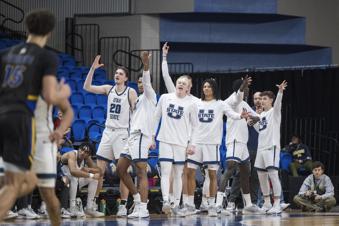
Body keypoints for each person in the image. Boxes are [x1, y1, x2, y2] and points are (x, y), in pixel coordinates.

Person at [0, 9, 71, 221]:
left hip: (16, 123)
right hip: (23, 122)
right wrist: (62, 92)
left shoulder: (6, 54)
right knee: (14, 184)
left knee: (28, 182)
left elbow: (67, 111)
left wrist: (59, 130)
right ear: (50, 32)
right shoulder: (46, 58)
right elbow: (51, 96)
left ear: (27, 28)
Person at [186, 78, 250, 217]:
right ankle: (190, 205)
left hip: (212, 144)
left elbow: (232, 114)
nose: (206, 89)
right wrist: (189, 141)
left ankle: (212, 205)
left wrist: (241, 115)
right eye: (204, 86)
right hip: (196, 143)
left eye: (209, 86)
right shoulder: (196, 103)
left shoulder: (221, 104)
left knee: (212, 174)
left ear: (214, 88)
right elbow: (189, 121)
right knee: (189, 173)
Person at [83, 55, 138, 216]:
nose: (117, 75)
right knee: (99, 170)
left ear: (126, 78)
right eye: (116, 73)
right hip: (108, 132)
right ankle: (91, 205)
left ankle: (123, 205)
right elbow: (87, 87)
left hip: (122, 134)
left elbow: (136, 115)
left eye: (121, 73)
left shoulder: (130, 92)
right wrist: (92, 68)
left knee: (123, 171)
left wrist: (134, 136)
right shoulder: (108, 89)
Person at [117, 51, 157, 218]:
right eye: (138, 82)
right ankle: (136, 198)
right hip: (132, 136)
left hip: (141, 136)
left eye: (142, 82)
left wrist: (145, 64)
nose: (141, 84)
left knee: (141, 172)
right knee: (120, 169)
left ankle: (143, 208)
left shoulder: (150, 95)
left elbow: (147, 80)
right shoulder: (139, 99)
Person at [215, 78, 262, 215]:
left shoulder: (245, 104)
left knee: (246, 172)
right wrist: (243, 85)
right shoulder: (232, 100)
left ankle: (248, 205)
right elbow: (239, 95)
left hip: (243, 144)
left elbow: (257, 122)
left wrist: (257, 118)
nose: (247, 90)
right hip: (234, 141)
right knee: (229, 170)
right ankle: (218, 204)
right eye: (246, 88)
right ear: (239, 89)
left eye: (247, 88)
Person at [153, 75, 198, 215]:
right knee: (166, 172)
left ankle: (176, 203)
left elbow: (196, 126)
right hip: (165, 139)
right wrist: (152, 137)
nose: (181, 84)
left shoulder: (192, 103)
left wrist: (192, 144)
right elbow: (156, 117)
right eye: (179, 82)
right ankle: (166, 200)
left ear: (189, 88)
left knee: (178, 173)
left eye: (184, 83)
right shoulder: (165, 97)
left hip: (181, 143)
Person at [252, 81, 288, 214]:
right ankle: (267, 203)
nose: (261, 101)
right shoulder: (261, 115)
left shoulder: (274, 112)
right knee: (261, 176)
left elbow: (278, 104)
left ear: (271, 100)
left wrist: (280, 92)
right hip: (261, 148)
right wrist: (250, 121)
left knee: (273, 175)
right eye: (260, 99)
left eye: (264, 99)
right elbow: (259, 130)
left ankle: (277, 203)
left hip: (271, 147)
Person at [60, 143, 104, 217]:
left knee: (94, 180)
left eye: (86, 152)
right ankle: (72, 207)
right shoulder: (72, 154)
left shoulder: (86, 158)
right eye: (82, 150)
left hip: (75, 183)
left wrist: (88, 169)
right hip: (63, 181)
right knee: (74, 177)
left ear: (89, 155)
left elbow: (100, 171)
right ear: (78, 149)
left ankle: (89, 208)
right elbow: (73, 171)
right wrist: (91, 174)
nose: (83, 153)